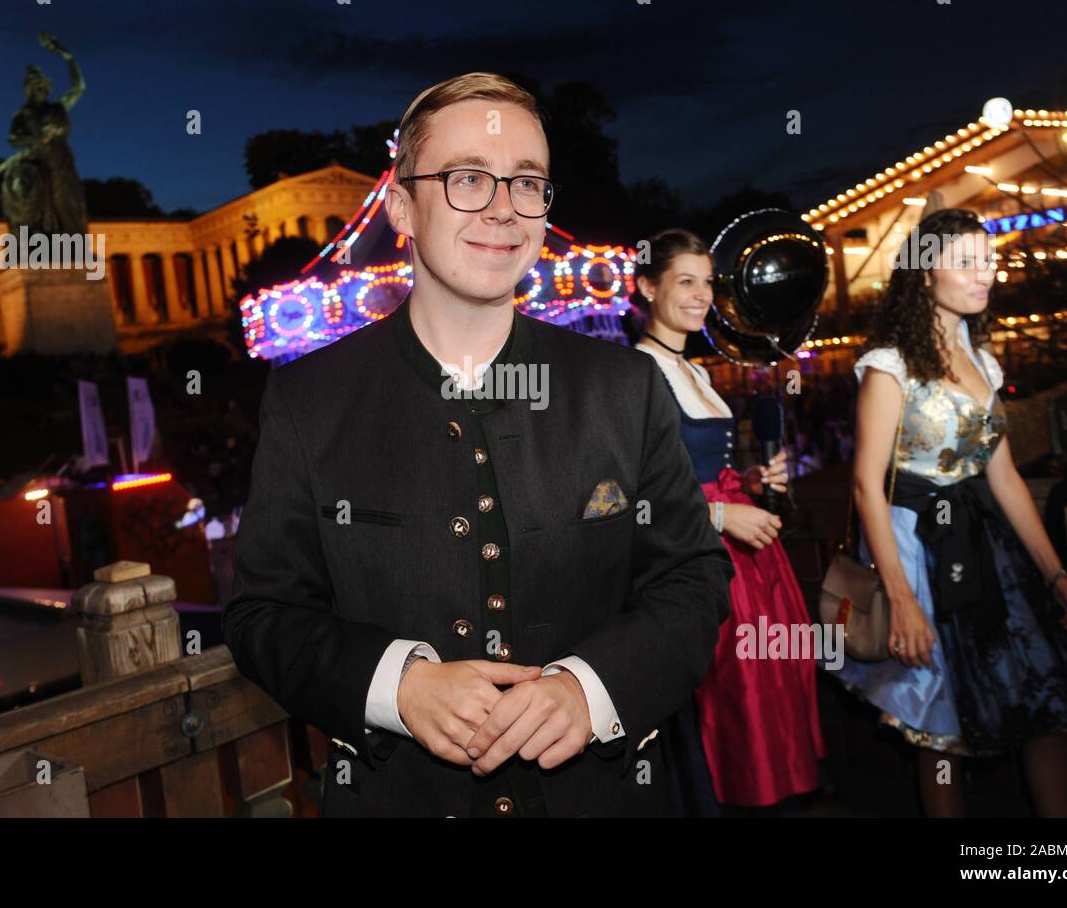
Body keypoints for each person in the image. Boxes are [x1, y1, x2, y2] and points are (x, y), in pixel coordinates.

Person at [224, 73, 733, 817]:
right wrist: (397, 684)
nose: (502, 207)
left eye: (527, 183)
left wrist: (589, 689)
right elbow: (262, 613)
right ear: (401, 205)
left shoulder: (623, 387)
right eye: (467, 178)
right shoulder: (311, 401)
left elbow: (693, 581)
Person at [831, 208, 1067, 817]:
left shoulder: (983, 359)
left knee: (1045, 706)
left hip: (987, 548)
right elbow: (867, 486)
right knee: (940, 726)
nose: (988, 274)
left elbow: (1002, 478)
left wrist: (1056, 575)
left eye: (991, 260)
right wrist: (900, 598)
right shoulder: (889, 364)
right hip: (918, 554)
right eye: (969, 262)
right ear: (925, 273)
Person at [630, 229, 825, 813]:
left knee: (769, 701)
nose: (701, 296)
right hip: (699, 559)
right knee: (730, 711)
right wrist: (721, 514)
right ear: (646, 287)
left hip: (752, 562)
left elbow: (714, 469)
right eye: (684, 281)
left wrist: (758, 484)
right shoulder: (638, 374)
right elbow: (630, 501)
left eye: (708, 282)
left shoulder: (699, 373)